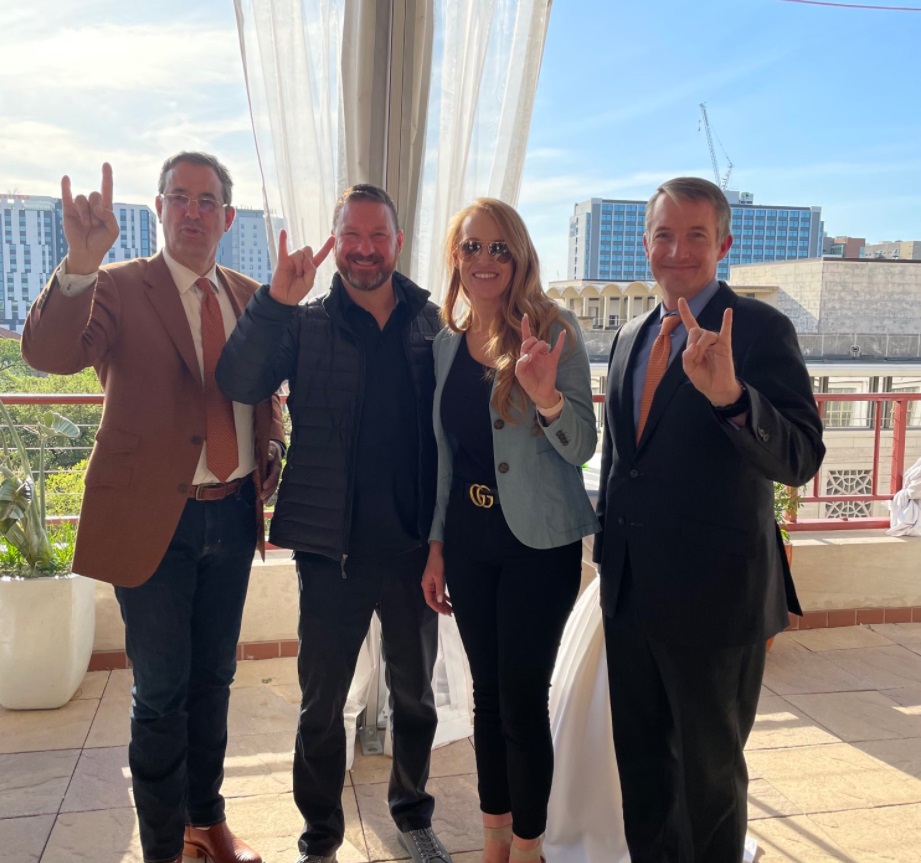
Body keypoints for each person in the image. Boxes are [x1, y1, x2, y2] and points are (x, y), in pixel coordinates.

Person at [21, 154, 285, 863]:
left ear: (229, 217)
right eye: (180, 198)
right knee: (162, 693)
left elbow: (260, 391)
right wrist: (78, 262)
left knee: (215, 681)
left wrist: (271, 441)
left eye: (208, 200)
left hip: (231, 518)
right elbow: (49, 355)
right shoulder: (115, 286)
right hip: (152, 525)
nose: (193, 211)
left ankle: (207, 820)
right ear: (159, 209)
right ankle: (165, 848)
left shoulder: (249, 293)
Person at [216, 185, 451, 863]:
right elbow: (239, 379)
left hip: (412, 552)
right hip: (330, 551)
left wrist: (445, 541)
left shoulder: (431, 323)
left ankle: (412, 813)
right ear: (334, 240)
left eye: (378, 236)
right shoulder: (303, 321)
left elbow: (454, 436)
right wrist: (274, 300)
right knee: (319, 707)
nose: (364, 249)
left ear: (397, 243)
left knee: (415, 698)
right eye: (352, 235)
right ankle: (319, 835)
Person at [594, 176, 826, 863]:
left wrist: (730, 396)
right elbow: (620, 462)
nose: (677, 249)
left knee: (709, 782)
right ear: (645, 245)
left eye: (695, 234)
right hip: (629, 593)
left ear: (723, 244)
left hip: (715, 598)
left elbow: (800, 455)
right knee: (641, 771)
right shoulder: (629, 333)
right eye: (663, 234)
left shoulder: (757, 330)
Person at [421, 198, 599, 863]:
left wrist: (546, 394)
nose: (484, 259)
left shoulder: (555, 330)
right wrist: (437, 544)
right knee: (486, 699)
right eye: (471, 247)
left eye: (499, 247)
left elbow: (582, 444)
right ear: (455, 258)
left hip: (538, 545)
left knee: (522, 699)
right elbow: (445, 455)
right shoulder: (444, 345)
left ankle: (529, 846)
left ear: (518, 254)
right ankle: (494, 841)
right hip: (468, 543)